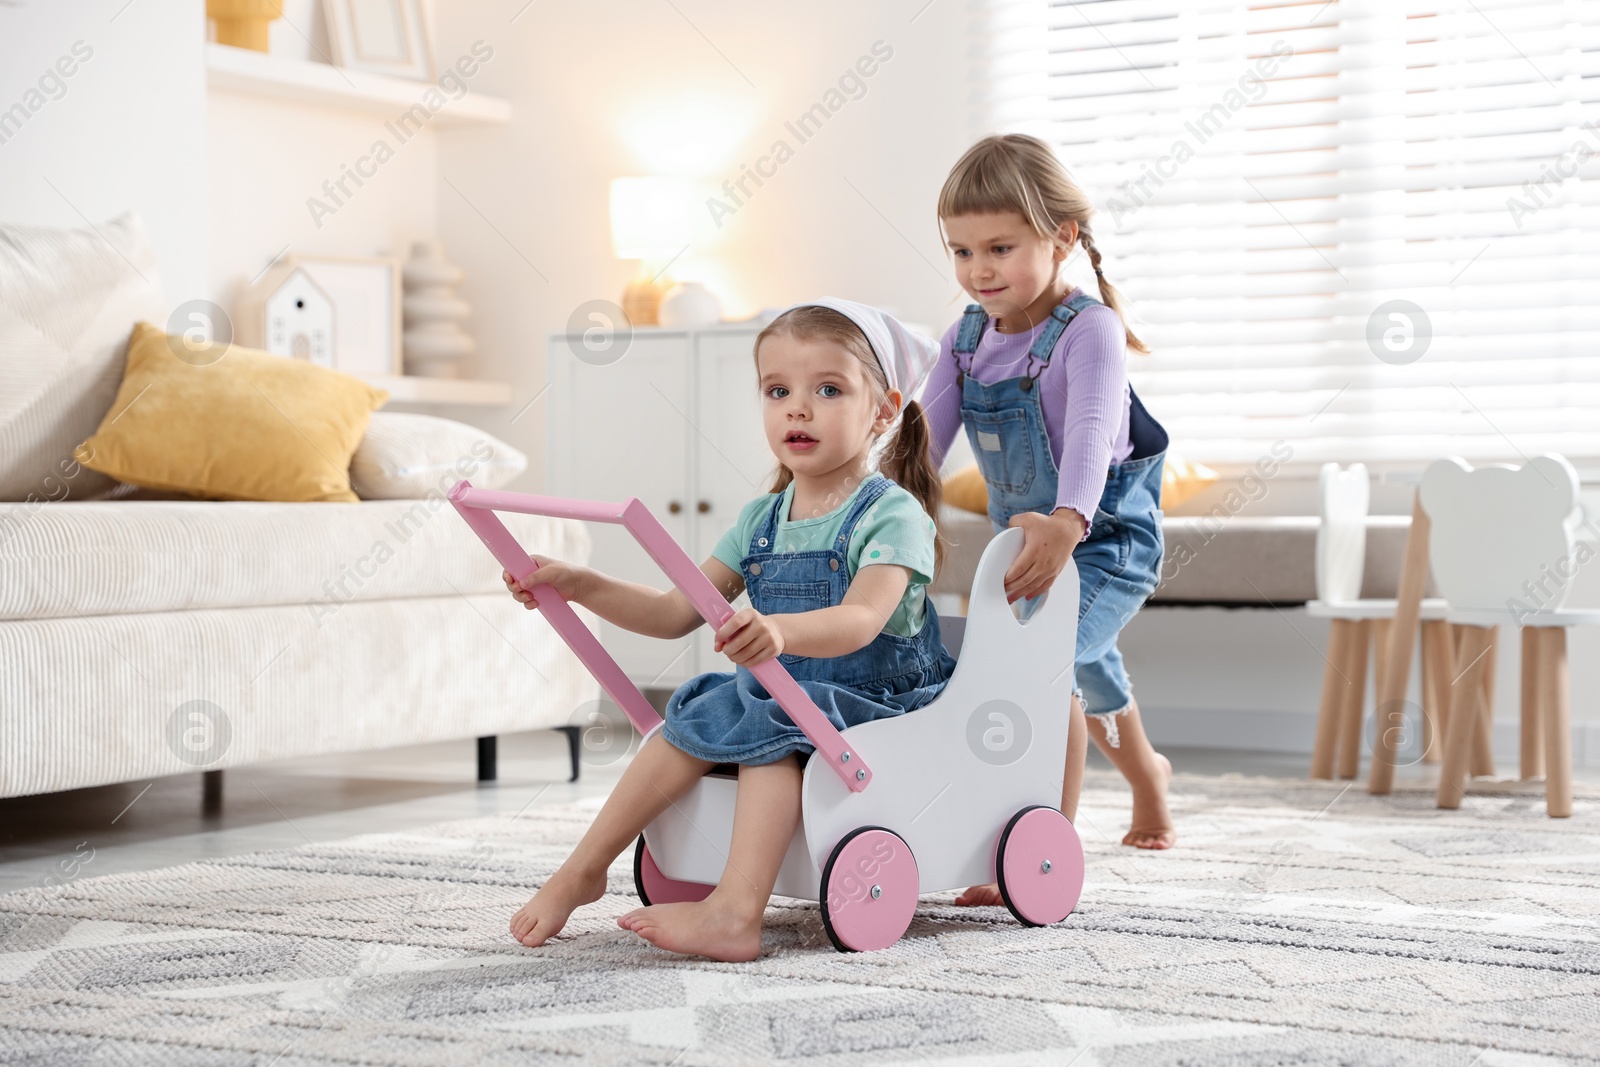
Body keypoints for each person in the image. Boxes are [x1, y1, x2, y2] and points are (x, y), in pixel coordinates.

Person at [504, 298, 956, 961]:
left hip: (873, 702)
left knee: (765, 731)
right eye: (778, 390)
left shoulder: (893, 514)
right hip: (784, 692)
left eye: (828, 389)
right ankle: (584, 867)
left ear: (884, 409)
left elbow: (862, 621)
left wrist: (779, 632)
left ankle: (737, 914)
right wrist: (581, 585)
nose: (797, 408)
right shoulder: (760, 519)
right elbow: (673, 610)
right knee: (685, 723)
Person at [923, 133, 1175, 883]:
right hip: (1028, 544)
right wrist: (872, 511)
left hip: (1105, 540)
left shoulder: (1088, 329)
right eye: (962, 252)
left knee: (1043, 671)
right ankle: (1149, 778)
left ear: (1061, 236)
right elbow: (920, 444)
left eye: (999, 247)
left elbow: (1095, 429)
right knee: (1087, 669)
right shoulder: (965, 340)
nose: (978, 270)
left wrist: (1069, 521)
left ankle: (1037, 854)